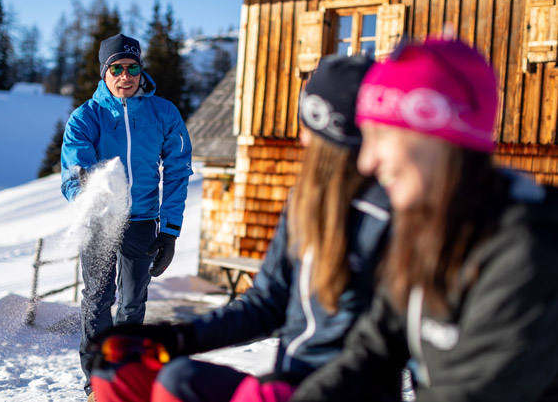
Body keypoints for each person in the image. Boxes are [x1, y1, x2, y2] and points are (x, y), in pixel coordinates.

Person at [86, 55, 398, 402]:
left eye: (308, 126)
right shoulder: (307, 202)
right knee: (161, 378)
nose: (302, 139)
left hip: (339, 392)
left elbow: (383, 346)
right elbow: (266, 304)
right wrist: (173, 340)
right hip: (289, 381)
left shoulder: (392, 219)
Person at [289, 38, 558, 402]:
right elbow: (373, 351)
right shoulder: (425, 226)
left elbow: (471, 394)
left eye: (380, 136)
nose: (367, 162)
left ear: (438, 137)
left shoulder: (528, 250)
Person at [60, 33, 193, 400]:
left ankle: (124, 377)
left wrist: (169, 230)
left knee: (133, 302)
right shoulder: (87, 116)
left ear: (140, 70)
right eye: (116, 68)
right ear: (104, 73)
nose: (125, 75)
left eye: (132, 67)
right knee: (98, 301)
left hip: (142, 221)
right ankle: (97, 384)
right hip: (101, 222)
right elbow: (73, 170)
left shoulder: (162, 112)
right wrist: (86, 189)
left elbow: (178, 169)